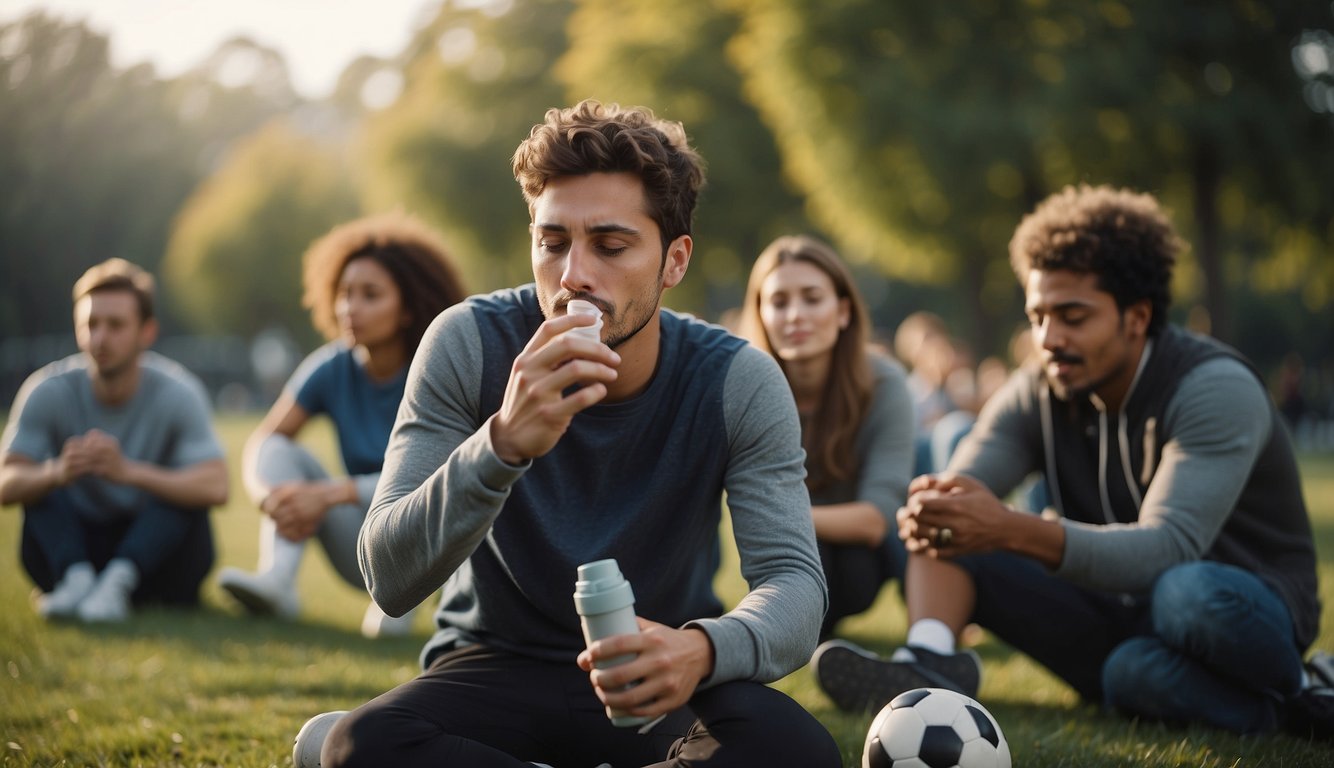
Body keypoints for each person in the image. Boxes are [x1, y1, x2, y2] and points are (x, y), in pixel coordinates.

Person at [303, 100, 839, 767]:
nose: (573, 277)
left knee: (797, 750)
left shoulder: (737, 381)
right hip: (494, 665)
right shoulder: (467, 343)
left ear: (674, 261)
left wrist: (700, 649)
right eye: (552, 244)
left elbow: (793, 583)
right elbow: (388, 575)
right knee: (365, 746)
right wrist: (500, 445)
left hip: (654, 669)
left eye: (610, 246)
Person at [810, 184, 1331, 738]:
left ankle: (1299, 683)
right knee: (1128, 674)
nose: (1048, 338)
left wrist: (1010, 527)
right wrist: (941, 511)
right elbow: (962, 488)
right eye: (1038, 317)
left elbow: (1166, 550)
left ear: (1137, 317)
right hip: (1123, 618)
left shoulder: (1213, 388)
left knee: (1186, 594)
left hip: (1236, 609)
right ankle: (930, 659)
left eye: (1072, 317)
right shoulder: (1040, 385)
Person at [217, 212, 468, 638]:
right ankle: (276, 581)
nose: (350, 307)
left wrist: (331, 494)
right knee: (280, 451)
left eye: (370, 295)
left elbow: (441, 477)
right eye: (344, 293)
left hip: (432, 539)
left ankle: (413, 602)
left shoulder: (436, 368)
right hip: (364, 541)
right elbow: (265, 441)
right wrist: (271, 500)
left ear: (408, 309)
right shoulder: (332, 366)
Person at [0, 258, 228, 622]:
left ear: (147, 332)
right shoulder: (46, 390)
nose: (100, 338)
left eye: (116, 325)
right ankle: (76, 579)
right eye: (90, 324)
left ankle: (116, 585)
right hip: (73, 547)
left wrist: (129, 472)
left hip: (153, 556)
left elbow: (218, 487)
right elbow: (5, 484)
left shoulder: (180, 393)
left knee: (180, 493)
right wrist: (58, 471)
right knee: (39, 485)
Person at [736, 234, 915, 639]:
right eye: (779, 302)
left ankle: (928, 624)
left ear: (843, 311)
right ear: (760, 314)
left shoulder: (884, 383)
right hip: (777, 557)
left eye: (812, 298)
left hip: (861, 559)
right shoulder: (740, 387)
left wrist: (774, 519)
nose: (795, 315)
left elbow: (875, 520)